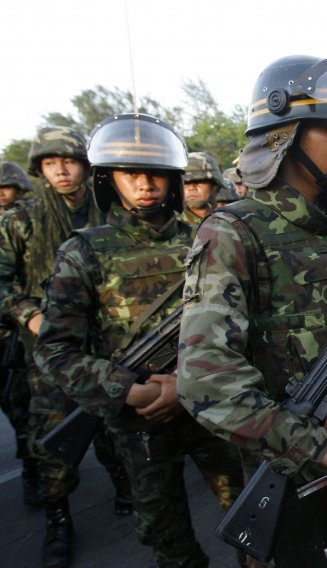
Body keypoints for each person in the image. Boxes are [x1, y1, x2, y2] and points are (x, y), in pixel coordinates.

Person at [176, 55, 327, 560]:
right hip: (297, 467)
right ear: (283, 134)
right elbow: (204, 377)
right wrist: (312, 444)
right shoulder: (233, 230)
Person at [33, 114, 245, 568]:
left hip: (213, 406)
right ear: (110, 180)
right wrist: (125, 389)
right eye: (131, 174)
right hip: (140, 419)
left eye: (155, 174)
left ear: (172, 180)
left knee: (254, 517)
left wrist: (182, 382)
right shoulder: (82, 252)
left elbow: (239, 323)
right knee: (168, 538)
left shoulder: (205, 239)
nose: (145, 184)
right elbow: (54, 350)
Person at [0, 126, 129, 568]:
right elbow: (2, 282)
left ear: (86, 165)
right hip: (50, 348)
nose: (61, 170)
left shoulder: (109, 210)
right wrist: (30, 315)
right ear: (39, 169)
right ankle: (58, 518)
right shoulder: (22, 219)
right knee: (53, 438)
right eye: (51, 163)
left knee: (115, 425)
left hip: (108, 341)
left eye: (70, 160)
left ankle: (127, 489)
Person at [0, 161, 37, 506]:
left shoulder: (24, 219)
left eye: (6, 189)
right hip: (17, 334)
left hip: (40, 331)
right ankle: (34, 473)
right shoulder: (15, 222)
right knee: (23, 410)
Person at [181, 151, 225, 225]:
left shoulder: (229, 220)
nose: (192, 188)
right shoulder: (171, 223)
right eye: (186, 182)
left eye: (199, 181)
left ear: (215, 186)